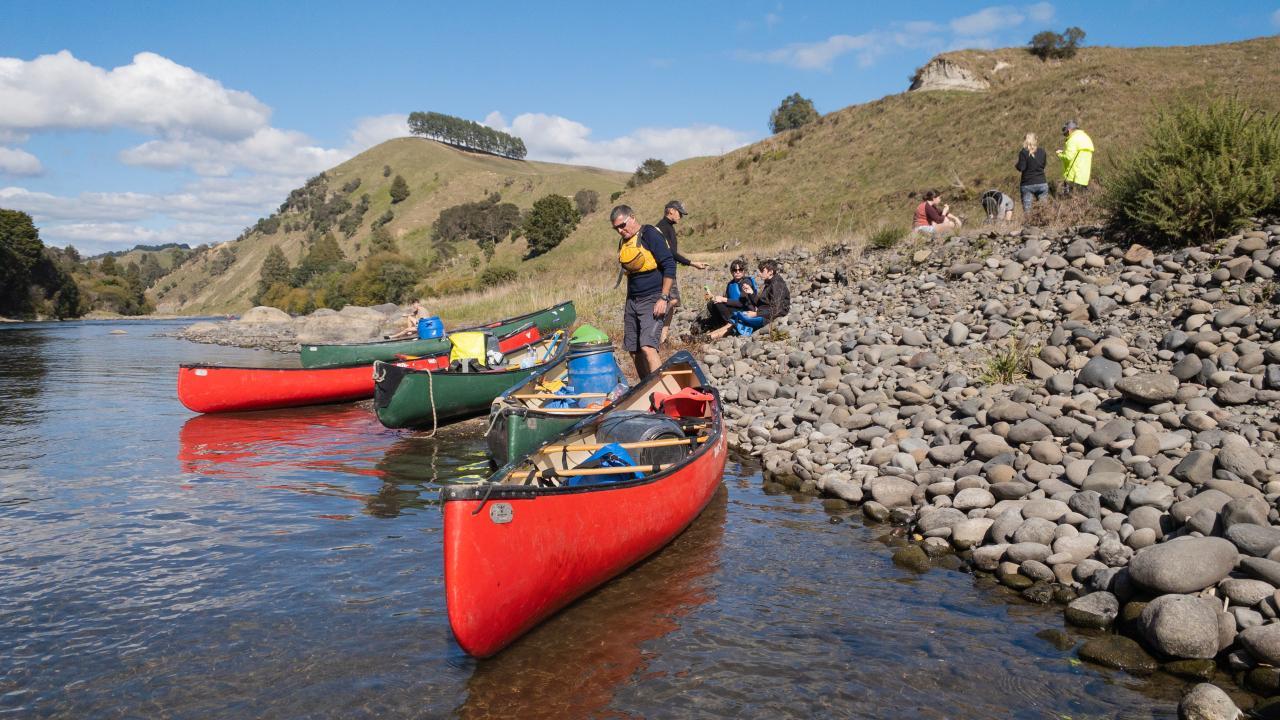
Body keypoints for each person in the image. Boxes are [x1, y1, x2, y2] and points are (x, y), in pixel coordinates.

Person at [610, 204, 676, 378]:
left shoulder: (649, 234)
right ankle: (645, 387)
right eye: (616, 228)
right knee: (634, 350)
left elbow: (669, 264)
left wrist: (664, 298)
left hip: (653, 298)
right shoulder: (624, 241)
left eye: (622, 225)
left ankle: (662, 391)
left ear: (632, 217)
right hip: (632, 301)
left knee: (648, 347)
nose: (620, 231)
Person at [655, 200, 708, 345]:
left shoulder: (668, 227)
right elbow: (671, 253)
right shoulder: (663, 227)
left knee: (673, 302)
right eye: (680, 213)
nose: (681, 217)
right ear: (671, 211)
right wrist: (692, 263)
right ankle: (654, 330)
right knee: (672, 301)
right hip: (665, 272)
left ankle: (662, 338)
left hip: (666, 271)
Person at [729, 259, 789, 336]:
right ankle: (711, 336)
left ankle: (712, 336)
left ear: (770, 272)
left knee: (738, 318)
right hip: (763, 313)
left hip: (769, 318)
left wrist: (756, 314)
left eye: (762, 271)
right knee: (736, 317)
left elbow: (777, 309)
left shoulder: (777, 285)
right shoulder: (769, 283)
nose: (760, 274)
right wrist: (751, 293)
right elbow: (761, 304)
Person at [704, 258, 757, 339]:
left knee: (719, 303)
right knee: (711, 304)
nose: (738, 272)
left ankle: (732, 326)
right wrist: (713, 297)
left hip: (745, 310)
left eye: (740, 269)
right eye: (735, 270)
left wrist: (723, 299)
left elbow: (741, 303)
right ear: (731, 272)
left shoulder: (746, 282)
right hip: (734, 309)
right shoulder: (730, 284)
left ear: (743, 271)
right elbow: (728, 299)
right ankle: (720, 325)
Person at [1057, 120, 1094, 195]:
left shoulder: (1072, 139)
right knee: (1083, 199)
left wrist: (1060, 154)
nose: (1066, 135)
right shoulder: (1086, 137)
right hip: (1084, 177)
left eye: (1066, 133)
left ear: (1069, 130)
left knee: (1068, 199)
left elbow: (1068, 157)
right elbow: (1077, 154)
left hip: (1072, 176)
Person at [1016, 132, 1049, 213]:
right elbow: (1043, 165)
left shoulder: (1023, 152)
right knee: (1044, 211)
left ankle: (1029, 224)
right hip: (1042, 182)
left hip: (1027, 184)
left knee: (1028, 212)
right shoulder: (1042, 151)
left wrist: (1016, 165)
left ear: (1025, 141)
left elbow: (1021, 168)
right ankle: (1045, 224)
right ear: (1036, 140)